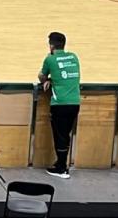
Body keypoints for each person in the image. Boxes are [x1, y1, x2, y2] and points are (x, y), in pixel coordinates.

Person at [39, 32, 81, 179]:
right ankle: (61, 164)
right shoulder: (74, 57)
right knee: (65, 135)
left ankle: (62, 168)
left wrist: (47, 80)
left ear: (51, 45)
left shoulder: (50, 59)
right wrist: (53, 78)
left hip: (60, 104)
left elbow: (41, 76)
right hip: (75, 103)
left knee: (60, 136)